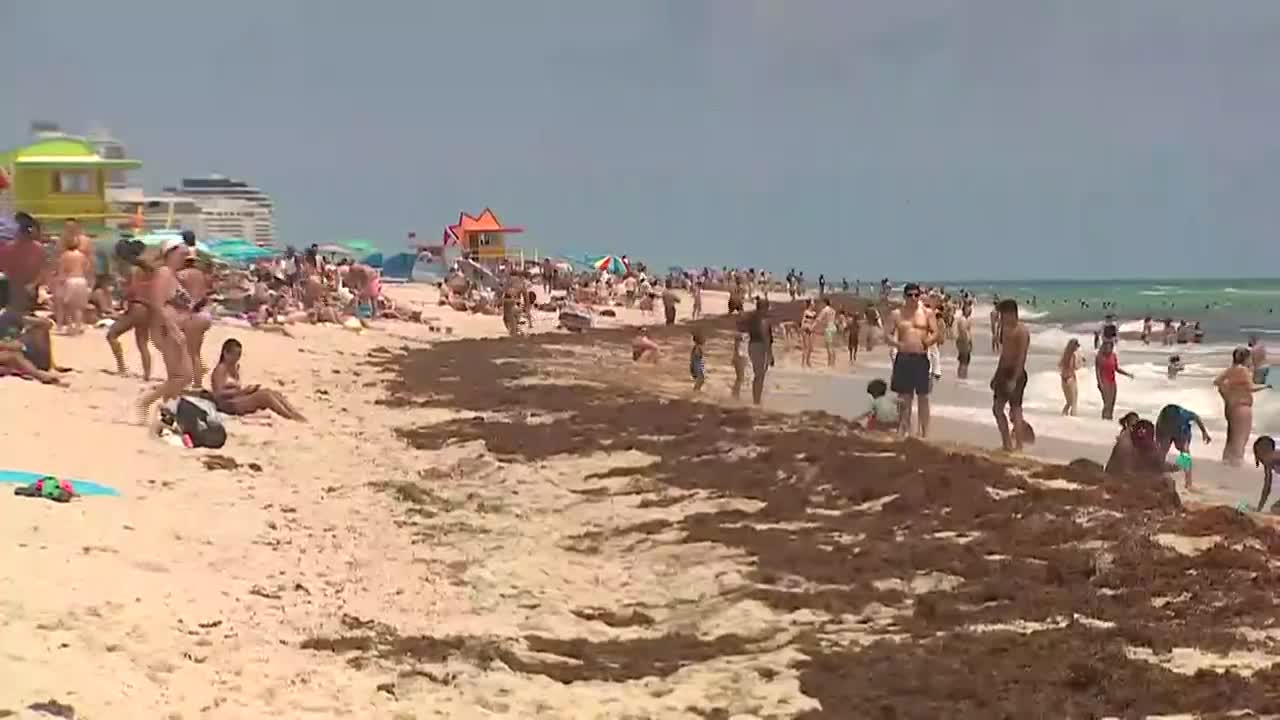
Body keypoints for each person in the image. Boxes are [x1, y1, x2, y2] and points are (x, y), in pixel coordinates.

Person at [135, 239, 196, 424]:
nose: (185, 258)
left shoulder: (172, 275)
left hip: (174, 329)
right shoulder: (163, 273)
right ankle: (146, 401)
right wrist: (173, 328)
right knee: (183, 376)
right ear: (170, 253)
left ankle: (167, 413)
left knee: (179, 376)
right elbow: (157, 304)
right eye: (182, 254)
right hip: (167, 330)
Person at [210, 339, 307, 421]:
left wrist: (246, 390)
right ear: (225, 353)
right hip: (228, 404)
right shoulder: (220, 369)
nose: (237, 358)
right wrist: (242, 391)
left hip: (238, 398)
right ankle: (290, 416)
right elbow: (218, 394)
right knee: (265, 396)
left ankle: (295, 413)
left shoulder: (234, 368)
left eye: (239, 355)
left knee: (272, 392)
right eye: (235, 355)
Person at [887, 283, 937, 438]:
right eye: (910, 295)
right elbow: (887, 334)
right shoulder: (897, 314)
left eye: (916, 295)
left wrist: (927, 342)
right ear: (904, 296)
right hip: (904, 357)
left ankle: (925, 432)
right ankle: (904, 429)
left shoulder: (927, 313)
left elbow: (935, 332)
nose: (914, 298)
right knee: (904, 397)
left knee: (923, 396)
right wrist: (897, 344)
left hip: (921, 358)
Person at [106, 239, 154, 379]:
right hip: (147, 308)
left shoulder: (132, 270)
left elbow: (133, 290)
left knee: (112, 335)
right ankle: (147, 374)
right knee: (142, 343)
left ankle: (122, 368)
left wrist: (123, 295)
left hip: (136, 306)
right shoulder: (147, 270)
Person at [1215, 347, 1268, 466]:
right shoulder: (1243, 370)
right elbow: (1251, 387)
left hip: (1232, 406)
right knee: (1241, 438)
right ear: (1246, 358)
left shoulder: (1231, 369)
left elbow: (1217, 382)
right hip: (1242, 407)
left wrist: (1227, 396)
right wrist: (1266, 386)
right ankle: (1237, 464)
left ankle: (1226, 462)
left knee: (1232, 438)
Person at [991, 299, 1030, 452]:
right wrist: (996, 375)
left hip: (1016, 372)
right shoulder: (1005, 329)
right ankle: (1007, 443)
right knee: (997, 409)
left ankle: (1019, 446)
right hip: (1003, 371)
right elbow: (1004, 354)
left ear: (1011, 314)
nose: (1001, 318)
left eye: (1003, 314)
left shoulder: (1022, 331)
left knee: (1015, 410)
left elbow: (1021, 357)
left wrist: (1014, 378)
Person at [1155, 403, 1212, 489]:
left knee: (1185, 452)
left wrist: (1204, 432)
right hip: (1165, 426)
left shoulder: (1183, 416)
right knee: (1162, 451)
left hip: (1179, 427)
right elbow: (1158, 440)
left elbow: (1196, 417)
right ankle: (1159, 476)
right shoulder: (1162, 423)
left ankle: (1188, 482)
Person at [745, 297, 774, 405]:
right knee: (760, 375)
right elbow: (766, 338)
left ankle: (756, 399)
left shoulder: (752, 318)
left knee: (759, 375)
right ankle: (756, 400)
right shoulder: (763, 321)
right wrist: (770, 354)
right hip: (760, 347)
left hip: (753, 345)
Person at [1094, 340, 1132, 420]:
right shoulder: (1099, 357)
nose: (1109, 349)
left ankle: (1109, 421)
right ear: (1104, 348)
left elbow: (1117, 368)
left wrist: (1128, 374)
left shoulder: (1113, 356)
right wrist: (1100, 384)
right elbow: (1097, 372)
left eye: (1111, 348)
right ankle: (1103, 421)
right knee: (1107, 404)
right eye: (1107, 348)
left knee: (1112, 405)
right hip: (1104, 382)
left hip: (1112, 382)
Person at [1252, 436, 1279, 513]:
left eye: (1256, 453)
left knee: (1275, 509)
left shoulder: (1268, 459)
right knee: (1275, 508)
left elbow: (1267, 487)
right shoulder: (1273, 456)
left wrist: (1259, 508)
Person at [1058, 338, 1082, 416]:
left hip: (1063, 379)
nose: (1077, 348)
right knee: (1074, 402)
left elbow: (1060, 365)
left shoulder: (1065, 355)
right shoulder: (1073, 355)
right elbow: (1075, 367)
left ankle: (1064, 416)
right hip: (1071, 378)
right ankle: (1073, 419)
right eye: (1076, 346)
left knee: (1069, 402)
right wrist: (1081, 362)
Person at [816, 297, 838, 367]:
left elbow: (818, 319)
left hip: (828, 328)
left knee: (829, 347)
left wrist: (812, 327)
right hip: (833, 327)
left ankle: (830, 364)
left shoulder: (825, 310)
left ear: (824, 303)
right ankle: (833, 363)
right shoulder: (833, 310)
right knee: (832, 346)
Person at [731, 318, 749, 400]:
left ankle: (735, 394)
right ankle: (735, 394)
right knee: (740, 378)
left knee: (740, 378)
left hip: (740, 357)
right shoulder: (740, 335)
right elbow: (738, 347)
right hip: (740, 357)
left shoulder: (740, 335)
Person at [955, 304, 973, 379]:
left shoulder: (967, 319)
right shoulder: (962, 320)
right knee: (964, 360)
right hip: (963, 341)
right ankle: (962, 376)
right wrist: (967, 342)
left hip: (964, 341)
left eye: (970, 310)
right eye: (968, 310)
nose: (970, 311)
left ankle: (961, 376)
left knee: (964, 360)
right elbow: (963, 331)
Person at [799, 299, 817, 368]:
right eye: (813, 304)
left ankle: (808, 361)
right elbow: (803, 321)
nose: (814, 305)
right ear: (810, 305)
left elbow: (815, 322)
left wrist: (812, 327)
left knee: (810, 347)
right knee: (805, 347)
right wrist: (802, 328)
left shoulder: (814, 313)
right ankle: (803, 363)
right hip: (805, 330)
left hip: (811, 330)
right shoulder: (806, 312)